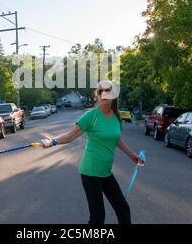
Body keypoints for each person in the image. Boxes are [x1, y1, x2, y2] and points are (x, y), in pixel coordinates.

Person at [40, 80, 142, 224]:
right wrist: (52, 141)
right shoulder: (91, 116)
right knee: (98, 217)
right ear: (97, 95)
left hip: (106, 172)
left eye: (107, 90)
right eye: (100, 91)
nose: (103, 94)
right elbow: (70, 136)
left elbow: (116, 140)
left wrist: (132, 155)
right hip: (90, 172)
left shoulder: (117, 117)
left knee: (123, 209)